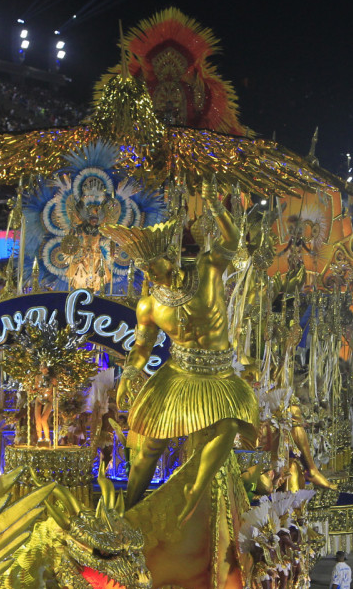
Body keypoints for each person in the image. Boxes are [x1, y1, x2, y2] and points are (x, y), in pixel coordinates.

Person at [102, 185, 258, 516]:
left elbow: (232, 240)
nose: (151, 274)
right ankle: (129, 510)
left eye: (154, 266)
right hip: (178, 374)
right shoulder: (149, 305)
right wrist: (128, 375)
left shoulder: (207, 270)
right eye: (145, 269)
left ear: (170, 257)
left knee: (228, 428)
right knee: (150, 447)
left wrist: (215, 205)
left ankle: (195, 493)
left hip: (219, 374)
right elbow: (141, 348)